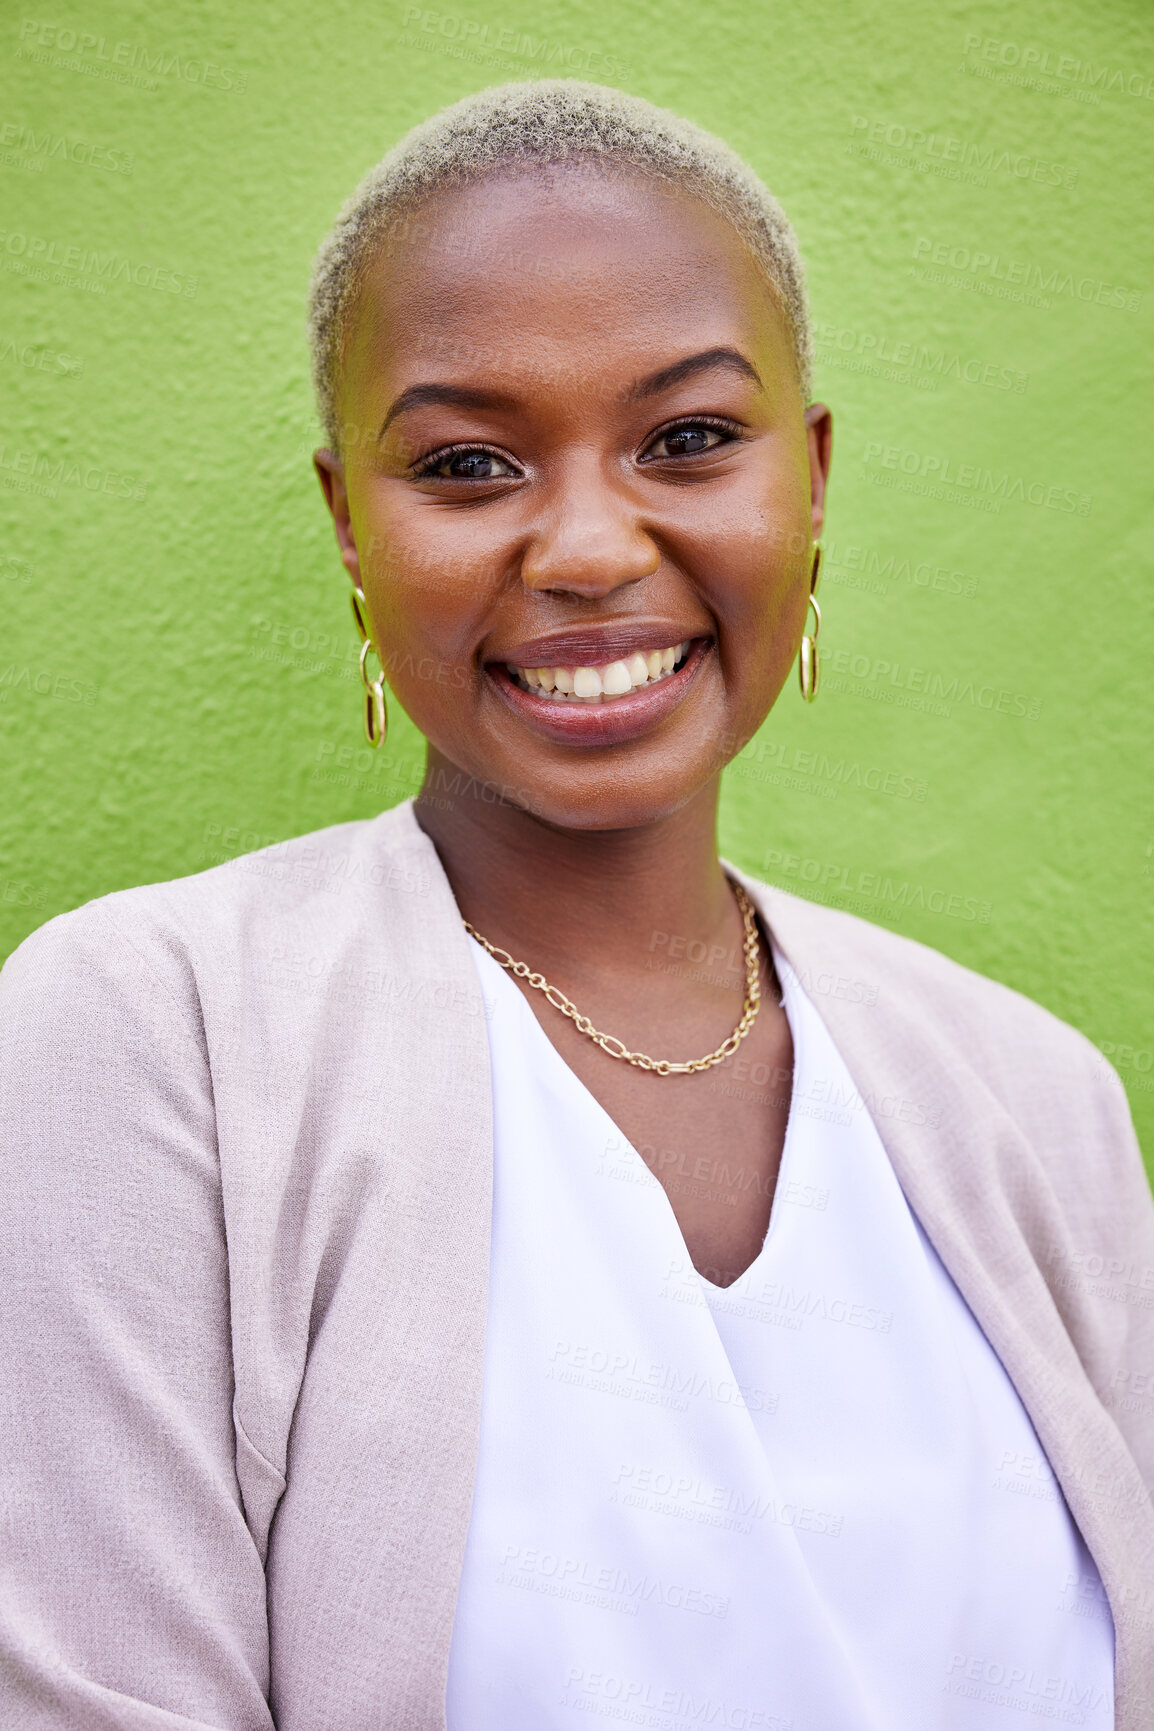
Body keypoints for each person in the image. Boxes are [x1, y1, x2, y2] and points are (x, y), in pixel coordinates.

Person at [1, 79, 1151, 1731]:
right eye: (467, 463)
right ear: (349, 525)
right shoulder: (153, 1034)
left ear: (807, 479)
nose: (590, 546)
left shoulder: (1034, 1103)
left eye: (687, 438)